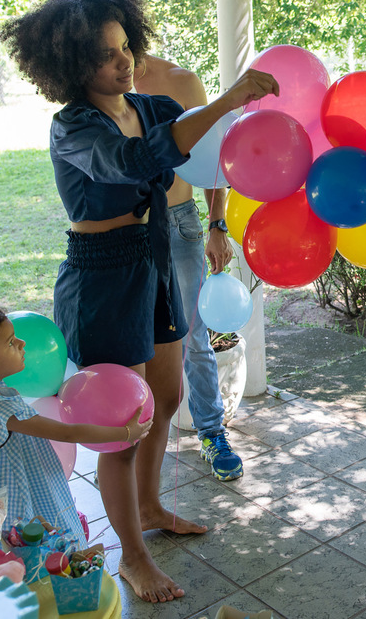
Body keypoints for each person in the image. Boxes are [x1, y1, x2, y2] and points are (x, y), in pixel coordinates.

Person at [0, 0, 278, 603]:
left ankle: (149, 507)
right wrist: (227, 98)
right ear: (73, 65)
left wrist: (239, 131)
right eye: (105, 55)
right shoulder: (73, 125)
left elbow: (195, 141)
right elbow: (131, 161)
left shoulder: (150, 106)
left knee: (165, 396)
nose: (123, 61)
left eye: (125, 46)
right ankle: (131, 556)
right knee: (120, 421)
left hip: (154, 258)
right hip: (102, 276)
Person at [0, 295, 153, 541]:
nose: (22, 343)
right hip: (12, 505)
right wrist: (125, 433)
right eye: (11, 342)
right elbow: (68, 432)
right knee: (33, 548)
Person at [134, 51, 242, 482]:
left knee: (194, 338)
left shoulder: (181, 81)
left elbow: (213, 159)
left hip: (179, 223)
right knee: (132, 344)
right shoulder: (95, 86)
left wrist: (217, 225)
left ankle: (212, 433)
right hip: (123, 230)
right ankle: (127, 446)